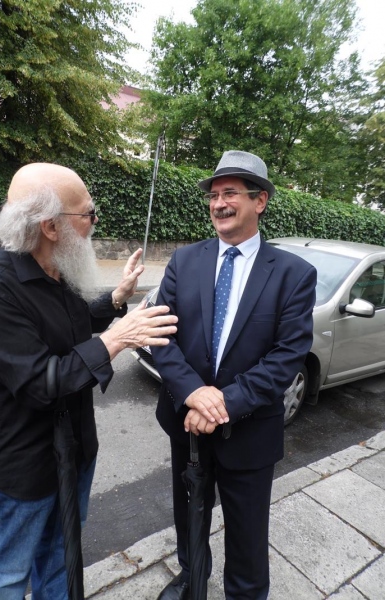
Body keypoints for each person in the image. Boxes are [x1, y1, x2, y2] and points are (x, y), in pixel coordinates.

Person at [0, 162, 178, 600]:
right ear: (50, 226)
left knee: (61, 557)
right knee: (9, 573)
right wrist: (117, 340)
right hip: (27, 464)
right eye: (87, 213)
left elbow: (73, 325)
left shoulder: (55, 268)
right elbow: (43, 382)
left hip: (75, 449)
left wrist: (115, 300)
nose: (94, 222)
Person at [151, 150, 317, 600]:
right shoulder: (184, 261)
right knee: (189, 514)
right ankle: (191, 577)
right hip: (186, 424)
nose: (219, 203)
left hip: (249, 431)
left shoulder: (294, 274)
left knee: (247, 532)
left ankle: (244, 593)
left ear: (260, 201)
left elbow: (287, 356)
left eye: (230, 193)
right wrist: (193, 393)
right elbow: (160, 335)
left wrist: (222, 403)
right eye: (213, 195)